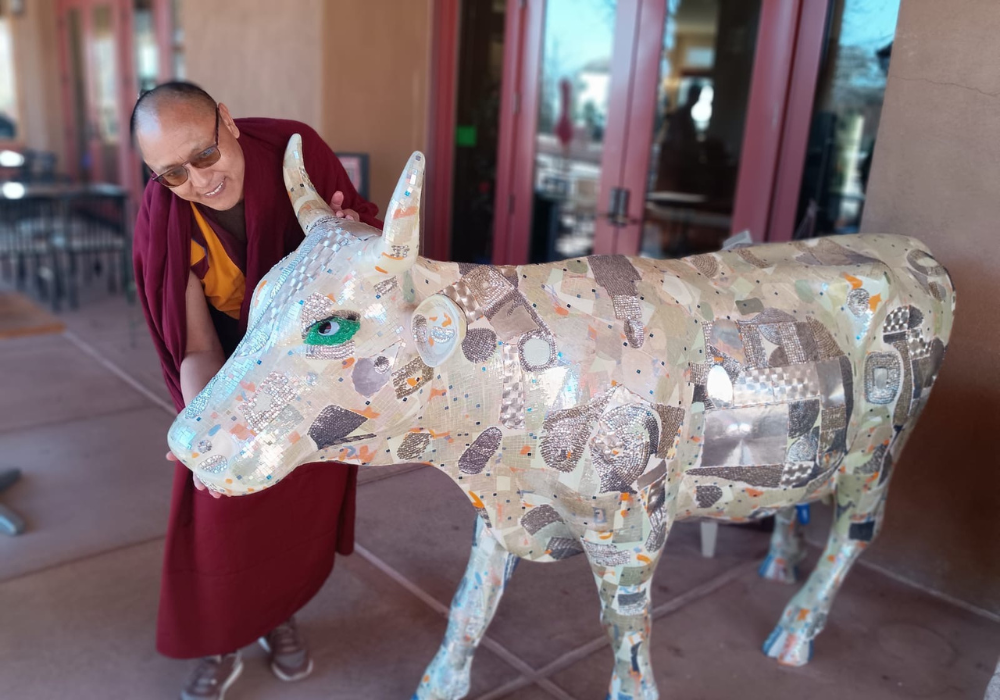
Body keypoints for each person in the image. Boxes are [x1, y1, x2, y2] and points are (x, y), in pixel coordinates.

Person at [130, 81, 381, 700]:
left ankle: (279, 616)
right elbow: (196, 345)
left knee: (298, 511)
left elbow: (374, 262)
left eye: (205, 156)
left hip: (313, 377)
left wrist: (351, 245)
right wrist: (208, 428)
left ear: (226, 121)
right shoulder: (166, 217)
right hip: (234, 379)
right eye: (173, 173)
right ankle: (220, 639)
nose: (198, 181)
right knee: (220, 509)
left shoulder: (297, 153)